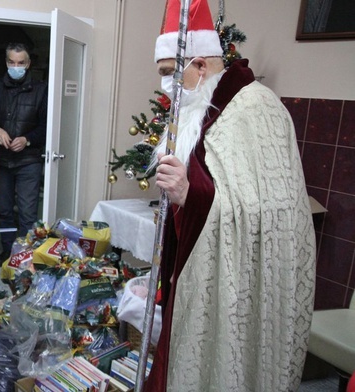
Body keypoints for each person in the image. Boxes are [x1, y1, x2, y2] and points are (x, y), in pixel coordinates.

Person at [145, 1, 316, 391]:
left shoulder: (256, 108)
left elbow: (272, 213)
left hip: (238, 281)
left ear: (201, 65)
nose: (165, 86)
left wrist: (192, 193)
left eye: (170, 74)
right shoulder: (198, 107)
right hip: (195, 267)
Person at [0, 42, 48, 267]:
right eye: (12, 62)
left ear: (28, 64)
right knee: (3, 209)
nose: (16, 66)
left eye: (21, 63)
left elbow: (46, 126)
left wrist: (27, 139)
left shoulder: (42, 90)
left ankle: (25, 255)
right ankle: (8, 251)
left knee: (28, 212)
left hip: (28, 160)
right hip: (0, 159)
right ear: (6, 62)